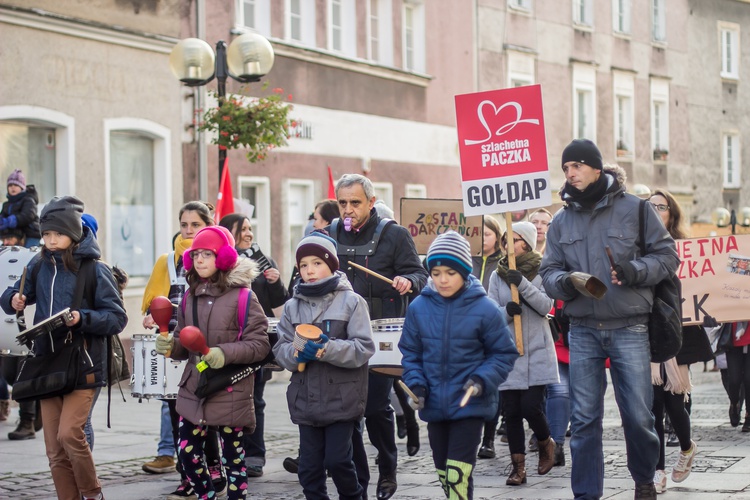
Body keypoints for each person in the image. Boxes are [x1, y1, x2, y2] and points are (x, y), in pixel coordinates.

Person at [540, 139, 679, 500]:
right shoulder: (560, 219)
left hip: (630, 327)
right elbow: (549, 270)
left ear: (596, 169)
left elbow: (667, 257)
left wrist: (634, 271)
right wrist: (565, 284)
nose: (570, 173)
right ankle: (587, 494)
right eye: (566, 167)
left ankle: (645, 480)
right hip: (583, 329)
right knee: (584, 420)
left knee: (638, 416)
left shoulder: (635, 209)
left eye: (577, 166)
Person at [1, 195, 128, 500]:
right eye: (46, 234)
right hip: (47, 361)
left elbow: (117, 317)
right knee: (53, 449)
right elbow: (14, 293)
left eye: (57, 233)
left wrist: (81, 317)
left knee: (70, 434)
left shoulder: (95, 269)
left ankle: (92, 493)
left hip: (84, 363)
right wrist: (12, 299)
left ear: (72, 232)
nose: (50, 240)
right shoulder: (38, 263)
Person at [328, 174, 428, 500]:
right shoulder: (328, 235)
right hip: (341, 337)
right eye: (343, 203)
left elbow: (420, 274)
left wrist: (406, 281)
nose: (348, 209)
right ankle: (359, 476)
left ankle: (387, 468)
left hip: (382, 334)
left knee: (374, 407)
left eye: (355, 203)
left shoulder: (394, 235)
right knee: (347, 412)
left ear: (371, 202)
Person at [399, 230, 519, 500]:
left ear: (465, 272)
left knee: (457, 475)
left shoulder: (485, 308)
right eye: (436, 272)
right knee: (445, 474)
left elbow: (503, 353)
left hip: (470, 405)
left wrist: (481, 380)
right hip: (434, 406)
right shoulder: (418, 307)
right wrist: (416, 385)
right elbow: (410, 352)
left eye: (450, 273)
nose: (442, 279)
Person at [155, 226, 270, 500]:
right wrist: (171, 346)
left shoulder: (244, 297)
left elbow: (260, 345)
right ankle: (206, 495)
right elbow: (185, 343)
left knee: (233, 459)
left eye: (208, 254)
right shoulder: (189, 296)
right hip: (195, 385)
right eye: (196, 255)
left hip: (230, 387)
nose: (200, 260)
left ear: (224, 258)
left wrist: (223, 352)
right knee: (187, 451)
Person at [273, 231, 375, 499]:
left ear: (331, 264)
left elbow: (363, 348)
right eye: (304, 265)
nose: (310, 270)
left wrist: (326, 349)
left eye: (317, 263)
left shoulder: (352, 302)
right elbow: (280, 348)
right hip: (306, 400)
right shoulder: (292, 307)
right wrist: (296, 355)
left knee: (338, 461)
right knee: (308, 469)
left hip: (342, 399)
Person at [140, 201, 225, 499]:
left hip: (202, 348)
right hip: (173, 347)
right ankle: (187, 475)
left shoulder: (214, 259)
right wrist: (153, 313)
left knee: (205, 411)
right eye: (184, 224)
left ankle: (213, 466)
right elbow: (155, 298)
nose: (188, 230)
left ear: (208, 225)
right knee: (175, 410)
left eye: (195, 225)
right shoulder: (168, 261)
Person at [647, 189, 712, 493]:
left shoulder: (686, 248)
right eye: (649, 206)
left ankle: (686, 448)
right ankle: (657, 469)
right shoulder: (636, 246)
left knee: (674, 402)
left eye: (661, 206)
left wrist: (715, 309)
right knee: (652, 406)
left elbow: (707, 288)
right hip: (645, 334)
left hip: (675, 335)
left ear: (672, 213)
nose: (655, 210)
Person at [219, 213, 289, 477]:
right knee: (225, 400)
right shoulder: (219, 263)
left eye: (250, 228)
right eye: (243, 229)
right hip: (227, 342)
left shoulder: (262, 260)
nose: (249, 233)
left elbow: (278, 299)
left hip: (256, 341)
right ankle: (227, 454)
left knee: (254, 398)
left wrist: (275, 281)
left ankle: (254, 454)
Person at [488, 221, 558, 485]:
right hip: (508, 353)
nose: (508, 244)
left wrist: (523, 286)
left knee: (531, 406)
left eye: (514, 240)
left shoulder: (542, 271)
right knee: (512, 412)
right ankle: (518, 468)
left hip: (536, 350)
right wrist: (507, 311)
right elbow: (490, 311)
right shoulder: (497, 275)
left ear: (527, 244)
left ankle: (546, 443)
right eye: (506, 239)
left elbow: (546, 306)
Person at [0, 169, 41, 248]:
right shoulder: (6, 204)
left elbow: (28, 215)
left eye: (15, 185)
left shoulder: (29, 200)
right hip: (13, 235)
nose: (12, 188)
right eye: (10, 185)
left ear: (22, 187)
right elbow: (3, 215)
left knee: (28, 253)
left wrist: (12, 220)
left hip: (30, 234)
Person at [471, 214, 504, 291]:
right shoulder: (466, 259)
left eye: (487, 234)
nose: (482, 238)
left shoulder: (504, 262)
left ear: (497, 236)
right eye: (478, 233)